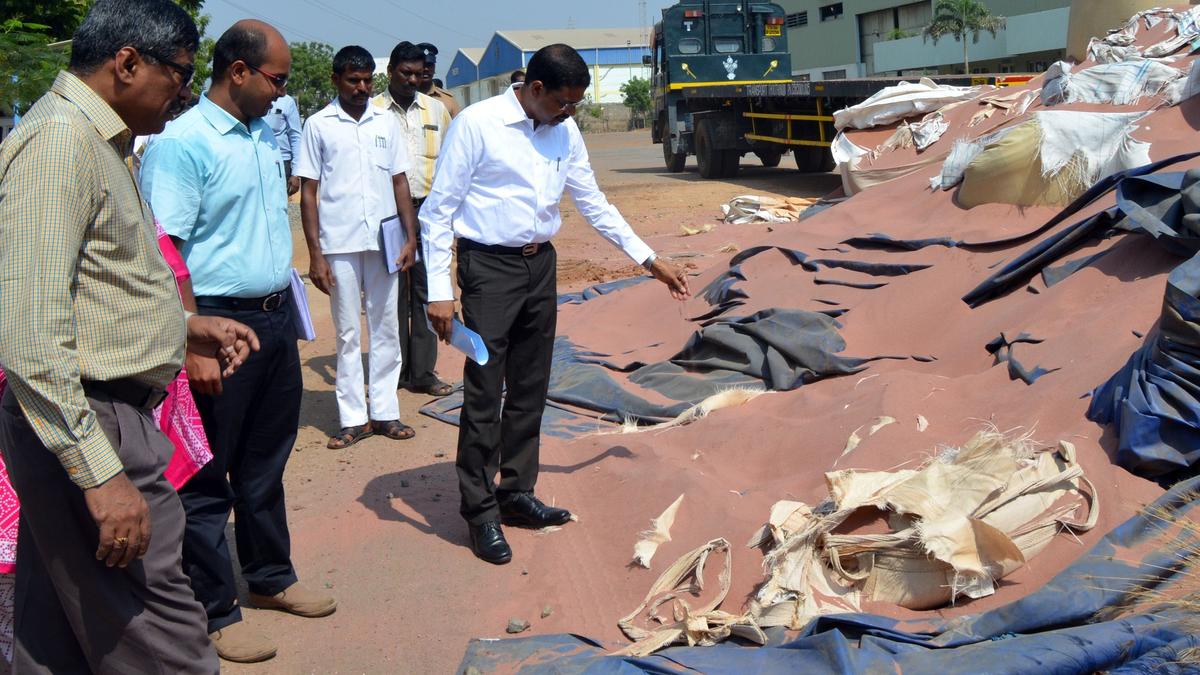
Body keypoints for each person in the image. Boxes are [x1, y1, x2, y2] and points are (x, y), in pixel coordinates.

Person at [0, 0, 261, 671]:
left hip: (101, 413)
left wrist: (181, 327)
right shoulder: (59, 143)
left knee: (52, 640)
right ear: (126, 63)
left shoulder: (100, 142)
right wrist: (100, 474)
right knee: (167, 641)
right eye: (178, 76)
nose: (183, 94)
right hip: (93, 423)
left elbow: (96, 288)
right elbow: (31, 332)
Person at [421, 44, 691, 565]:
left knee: (530, 386)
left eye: (576, 105)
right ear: (535, 89)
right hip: (488, 270)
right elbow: (439, 212)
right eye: (563, 103)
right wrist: (438, 291)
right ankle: (479, 514)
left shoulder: (564, 130)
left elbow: (593, 202)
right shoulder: (478, 124)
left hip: (539, 266)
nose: (570, 113)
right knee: (484, 389)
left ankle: (516, 493)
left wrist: (648, 259)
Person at [140, 20, 336, 664]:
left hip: (272, 321)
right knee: (203, 475)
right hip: (215, 324)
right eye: (277, 80)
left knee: (265, 461)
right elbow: (164, 251)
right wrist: (191, 339)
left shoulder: (260, 135)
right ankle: (213, 608)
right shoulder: (184, 144)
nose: (283, 94)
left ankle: (271, 578)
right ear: (240, 71)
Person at [295, 46, 420, 449]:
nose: (362, 88)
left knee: (386, 329)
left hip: (385, 242)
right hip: (340, 243)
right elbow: (309, 193)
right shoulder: (318, 125)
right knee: (348, 332)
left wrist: (410, 236)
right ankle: (353, 419)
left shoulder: (385, 122)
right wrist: (315, 254)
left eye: (367, 80)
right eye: (353, 80)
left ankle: (385, 412)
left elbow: (400, 182)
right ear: (336, 80)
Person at [374, 41, 454, 398]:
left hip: (429, 211)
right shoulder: (372, 110)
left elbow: (453, 162)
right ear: (390, 71)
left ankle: (422, 372)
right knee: (391, 293)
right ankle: (394, 370)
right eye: (404, 73)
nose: (411, 79)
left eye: (417, 74)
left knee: (426, 289)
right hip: (386, 213)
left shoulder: (436, 111)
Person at [265, 92, 302, 195]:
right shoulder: (250, 98)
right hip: (256, 161)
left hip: (281, 163)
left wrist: (295, 174)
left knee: (278, 204)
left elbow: (296, 136)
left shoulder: (287, 101)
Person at [416, 42, 461, 117]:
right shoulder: (405, 97)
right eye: (422, 65)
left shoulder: (448, 100)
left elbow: (459, 127)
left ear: (434, 68)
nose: (426, 69)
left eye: (429, 65)